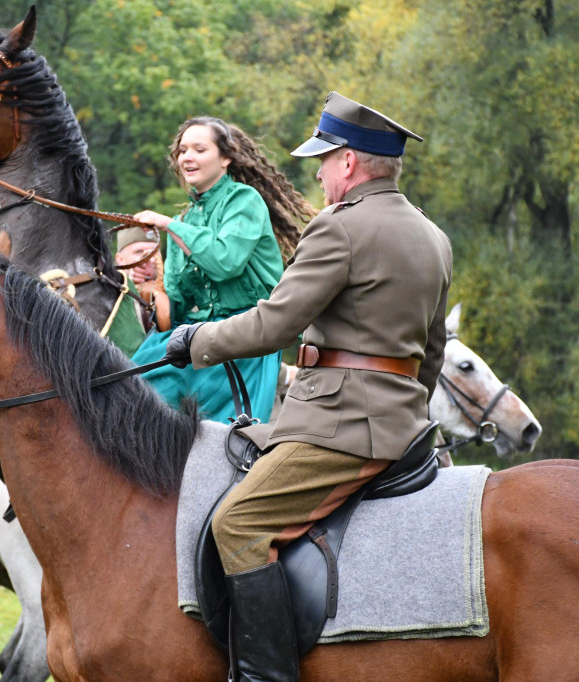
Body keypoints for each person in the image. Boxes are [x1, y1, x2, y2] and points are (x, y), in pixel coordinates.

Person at [164, 92, 452, 681]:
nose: (317, 174)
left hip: (340, 426)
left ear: (348, 161)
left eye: (323, 160)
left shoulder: (339, 227)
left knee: (238, 524)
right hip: (402, 422)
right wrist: (405, 414)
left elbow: (275, 323)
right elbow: (433, 351)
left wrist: (195, 341)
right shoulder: (433, 236)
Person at [130, 116, 314, 423]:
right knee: (130, 384)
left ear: (226, 157)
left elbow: (225, 262)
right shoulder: (184, 221)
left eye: (199, 149)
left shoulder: (244, 200)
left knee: (225, 437)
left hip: (246, 339)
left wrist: (168, 225)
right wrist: (151, 286)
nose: (187, 157)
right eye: (182, 151)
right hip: (198, 338)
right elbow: (177, 309)